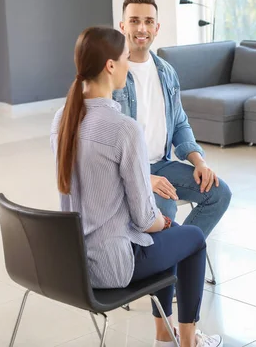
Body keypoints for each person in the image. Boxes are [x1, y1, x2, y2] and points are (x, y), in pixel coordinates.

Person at [51, 26, 222, 347]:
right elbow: (146, 219)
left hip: (71, 266)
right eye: (126, 59)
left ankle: (165, 335)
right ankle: (187, 341)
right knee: (191, 238)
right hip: (111, 268)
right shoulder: (123, 128)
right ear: (110, 66)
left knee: (165, 237)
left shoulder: (62, 118)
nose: (129, 65)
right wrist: (164, 222)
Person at [113, 0, 231, 238]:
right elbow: (106, 143)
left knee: (219, 193)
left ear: (157, 27)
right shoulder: (112, 74)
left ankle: (181, 253)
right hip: (126, 171)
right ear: (123, 26)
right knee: (163, 207)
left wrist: (199, 161)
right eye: (134, 21)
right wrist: (144, 177)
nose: (141, 28)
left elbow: (179, 122)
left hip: (163, 164)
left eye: (148, 21)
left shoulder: (166, 72)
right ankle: (165, 269)